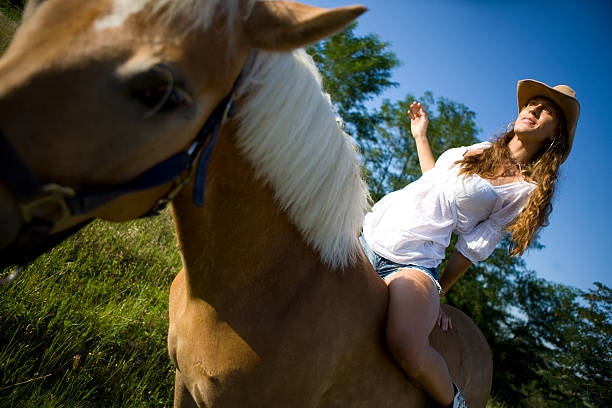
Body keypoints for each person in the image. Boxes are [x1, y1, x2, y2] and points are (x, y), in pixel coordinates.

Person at [360, 79, 580, 408]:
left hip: (413, 263)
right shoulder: (478, 150)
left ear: (555, 134)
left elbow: (471, 249)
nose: (533, 108)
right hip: (371, 228)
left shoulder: (523, 192)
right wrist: (421, 136)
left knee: (406, 343)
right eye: (532, 103)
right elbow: (434, 182)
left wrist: (435, 294)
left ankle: (456, 402)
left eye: (546, 109)